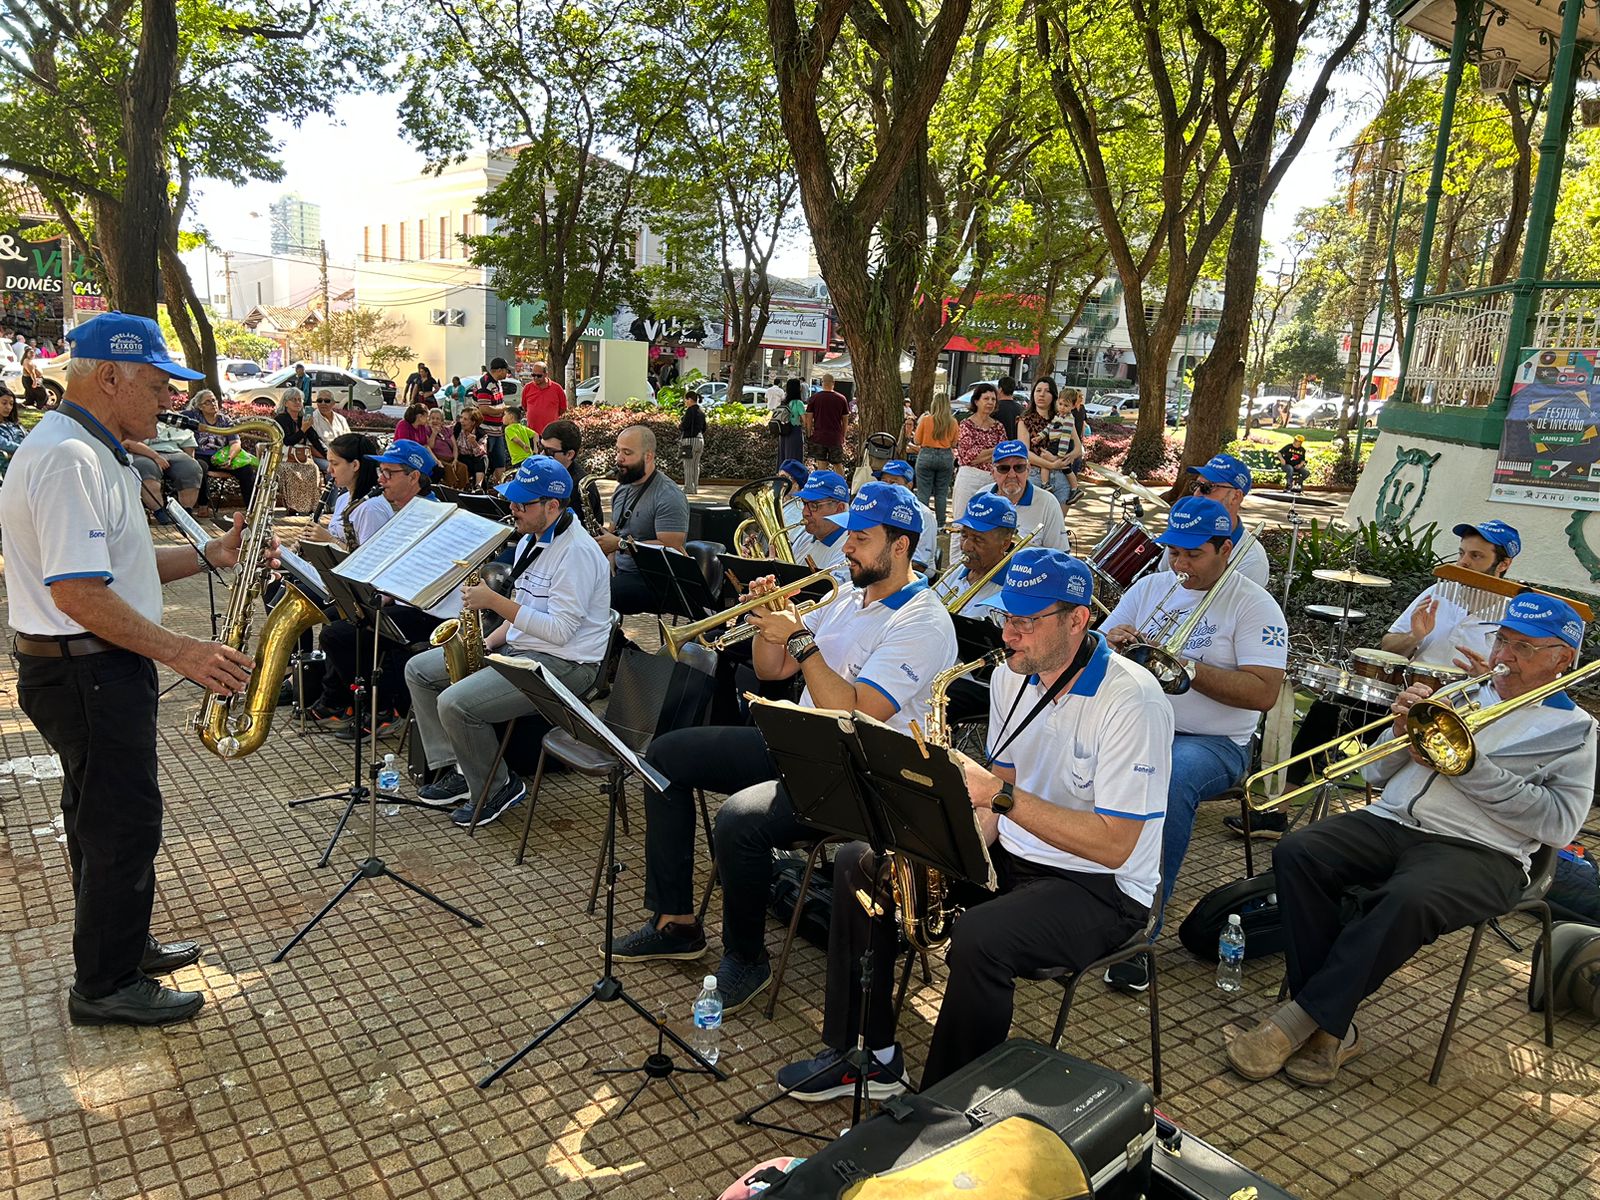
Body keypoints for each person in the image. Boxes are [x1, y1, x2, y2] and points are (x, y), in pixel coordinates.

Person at [777, 548, 1171, 1096]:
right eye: (1006, 617)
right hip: (1015, 851)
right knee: (861, 862)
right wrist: (943, 845)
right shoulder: (1013, 676)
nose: (1009, 635)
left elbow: (1115, 846)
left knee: (981, 937)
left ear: (1078, 620)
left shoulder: (1132, 701)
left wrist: (1000, 798)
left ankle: (947, 1102)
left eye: (1027, 621)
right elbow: (999, 791)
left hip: (1101, 887)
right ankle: (866, 1053)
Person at [0, 311, 265, 1027]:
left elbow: (115, 569)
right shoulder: (68, 460)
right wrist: (186, 652)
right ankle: (106, 984)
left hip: (93, 667)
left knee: (100, 815)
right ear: (109, 376)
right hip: (85, 670)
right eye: (155, 383)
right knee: (123, 822)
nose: (167, 399)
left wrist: (213, 555)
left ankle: (118, 945)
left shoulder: (95, 449)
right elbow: (78, 594)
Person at [1225, 594, 1595, 1088]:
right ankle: (1329, 1026)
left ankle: (1296, 1022)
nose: (1505, 656)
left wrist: (1466, 767)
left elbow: (1559, 826)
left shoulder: (1579, 732)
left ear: (1562, 660)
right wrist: (1397, 733)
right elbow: (1374, 771)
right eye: (1502, 640)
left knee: (1406, 898)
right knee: (1299, 851)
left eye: (1524, 648)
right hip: (1392, 821)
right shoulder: (1463, 693)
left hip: (1485, 851)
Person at [617, 483, 959, 1014]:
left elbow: (855, 713)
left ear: (900, 546)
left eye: (862, 540)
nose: (847, 548)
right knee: (664, 756)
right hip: (799, 746)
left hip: (859, 774)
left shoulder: (922, 621)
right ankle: (676, 921)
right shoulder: (847, 595)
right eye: (849, 537)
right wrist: (768, 619)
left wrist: (800, 638)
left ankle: (746, 959)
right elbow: (774, 669)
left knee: (737, 820)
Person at [1229, 520, 1523, 839]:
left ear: (1503, 564)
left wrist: (1487, 676)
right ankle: (1277, 813)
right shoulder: (1440, 591)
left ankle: (1391, 826)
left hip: (1457, 716)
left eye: (1476, 556)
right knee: (1330, 708)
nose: (1463, 562)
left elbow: (1519, 688)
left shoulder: (1515, 617)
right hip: (1404, 700)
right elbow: (1388, 645)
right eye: (1462, 553)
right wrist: (1415, 636)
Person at [1100, 496, 1288, 990]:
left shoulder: (1253, 604)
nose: (1179, 566)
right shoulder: (1150, 587)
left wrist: (1187, 669)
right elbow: (1095, 649)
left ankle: (1139, 932)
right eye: (1172, 553)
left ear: (1225, 549)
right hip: (1140, 725)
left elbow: (1264, 692)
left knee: (1169, 781)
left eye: (1193, 555)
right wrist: (1111, 644)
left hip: (1213, 742)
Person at [404, 456, 611, 827]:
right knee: (419, 669)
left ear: (553, 506)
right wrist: (486, 643)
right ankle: (458, 768)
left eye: (522, 504)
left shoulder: (576, 552)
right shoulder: (532, 539)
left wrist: (494, 602)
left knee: (455, 703)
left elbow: (559, 631)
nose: (512, 509)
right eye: (512, 501)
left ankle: (498, 786)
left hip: (567, 665)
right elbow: (526, 616)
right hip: (524, 650)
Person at [308, 439, 442, 736]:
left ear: (414, 477)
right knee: (340, 621)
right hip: (401, 602)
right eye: (380, 471)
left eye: (388, 473)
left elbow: (427, 582)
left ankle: (387, 707)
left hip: (429, 612)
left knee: (338, 635)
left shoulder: (433, 516)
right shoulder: (404, 512)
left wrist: (384, 595)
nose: (380, 479)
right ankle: (358, 701)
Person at [595, 424, 690, 615]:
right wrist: (609, 557)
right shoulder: (622, 488)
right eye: (618, 451)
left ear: (648, 456)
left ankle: (618, 643)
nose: (619, 459)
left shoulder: (667, 494)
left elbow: (671, 547)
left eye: (627, 453)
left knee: (597, 599)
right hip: (623, 572)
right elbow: (614, 531)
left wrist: (620, 545)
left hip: (656, 580)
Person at [1183, 453, 1269, 587]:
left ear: (1235, 496)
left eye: (1208, 487)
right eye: (1196, 485)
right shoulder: (1182, 531)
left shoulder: (1251, 559)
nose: (1197, 493)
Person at [930, 493, 1020, 616]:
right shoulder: (955, 574)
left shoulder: (1014, 589)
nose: (966, 546)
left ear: (1005, 543)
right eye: (964, 535)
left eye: (978, 539)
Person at [299, 432, 380, 551]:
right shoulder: (343, 499)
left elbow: (367, 558)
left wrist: (330, 540)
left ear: (355, 465)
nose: (329, 469)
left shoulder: (371, 508)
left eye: (335, 463)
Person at [125, 395, 204, 515]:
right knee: (146, 467)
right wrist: (155, 456)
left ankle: (185, 513)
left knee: (191, 467)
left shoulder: (177, 419)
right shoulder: (136, 418)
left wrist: (190, 459)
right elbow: (128, 442)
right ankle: (159, 512)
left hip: (175, 452)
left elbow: (188, 443)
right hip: (144, 452)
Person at [985, 440, 1069, 551]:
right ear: (993, 472)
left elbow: (1060, 555)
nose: (1011, 475)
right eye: (1003, 468)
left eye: (1019, 467)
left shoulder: (1048, 502)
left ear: (1028, 470)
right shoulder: (981, 498)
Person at [186, 389, 257, 509]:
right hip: (201, 455)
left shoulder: (225, 420)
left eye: (213, 400)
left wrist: (230, 457)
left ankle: (251, 509)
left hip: (222, 456)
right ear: (200, 406)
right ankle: (203, 505)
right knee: (198, 467)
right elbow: (175, 416)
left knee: (246, 470)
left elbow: (235, 442)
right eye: (207, 402)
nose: (213, 404)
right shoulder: (194, 417)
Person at [1020, 377, 1082, 511]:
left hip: (1062, 476)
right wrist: (1051, 464)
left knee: (1058, 527)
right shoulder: (1024, 420)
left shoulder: (1064, 418)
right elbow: (1024, 452)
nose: (1041, 394)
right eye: (1038, 390)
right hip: (1037, 476)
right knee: (1034, 525)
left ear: (1054, 396)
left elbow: (1078, 450)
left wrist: (1061, 460)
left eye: (1047, 391)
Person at [783, 469, 851, 579]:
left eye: (814, 505)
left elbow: (827, 594)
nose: (804, 512)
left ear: (839, 509)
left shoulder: (849, 551)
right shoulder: (806, 536)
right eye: (804, 503)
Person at [873, 459, 936, 573]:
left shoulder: (924, 514)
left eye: (894, 482)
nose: (887, 487)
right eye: (883, 481)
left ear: (909, 486)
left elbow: (920, 564)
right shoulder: (877, 509)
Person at [952, 382, 1004, 517]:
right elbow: (970, 457)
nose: (990, 402)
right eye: (986, 399)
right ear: (976, 401)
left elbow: (1003, 454)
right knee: (961, 520)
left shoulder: (998, 426)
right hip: (969, 477)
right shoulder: (966, 425)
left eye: (993, 399)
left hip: (992, 478)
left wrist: (984, 453)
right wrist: (995, 450)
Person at [912, 390, 959, 532]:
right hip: (945, 456)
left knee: (923, 492)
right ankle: (940, 524)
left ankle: (922, 522)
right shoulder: (953, 422)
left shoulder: (926, 420)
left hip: (926, 454)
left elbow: (917, 440)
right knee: (941, 492)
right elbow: (955, 443)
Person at [538, 418, 592, 529]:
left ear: (569, 455)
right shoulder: (550, 472)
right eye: (541, 447)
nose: (542, 455)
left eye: (549, 451)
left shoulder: (580, 487)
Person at [470, 357, 517, 473]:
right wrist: (503, 410)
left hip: (497, 430)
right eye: (506, 370)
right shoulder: (485, 384)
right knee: (486, 462)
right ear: (499, 370)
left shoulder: (498, 383)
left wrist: (505, 412)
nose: (508, 373)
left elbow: (499, 402)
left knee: (500, 463)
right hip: (486, 430)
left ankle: (498, 487)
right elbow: (483, 409)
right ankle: (483, 487)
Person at [804, 373, 849, 467]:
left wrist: (808, 433)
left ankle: (822, 481)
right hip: (835, 437)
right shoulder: (842, 399)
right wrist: (843, 436)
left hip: (819, 436)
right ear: (834, 383)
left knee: (821, 464)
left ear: (822, 382)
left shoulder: (814, 398)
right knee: (838, 464)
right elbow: (845, 420)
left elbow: (809, 418)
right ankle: (840, 482)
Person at [519, 360, 567, 434]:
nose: (535, 378)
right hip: (532, 432)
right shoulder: (527, 388)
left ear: (546, 375)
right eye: (533, 375)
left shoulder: (557, 388)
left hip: (551, 432)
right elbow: (524, 406)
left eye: (539, 376)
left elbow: (563, 408)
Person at [420, 408, 460, 486]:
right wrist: (434, 434)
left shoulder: (447, 430)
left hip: (450, 458)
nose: (435, 421)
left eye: (438, 419)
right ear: (428, 420)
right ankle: (452, 487)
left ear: (442, 421)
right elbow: (429, 446)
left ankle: (462, 488)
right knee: (448, 468)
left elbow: (455, 446)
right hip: (438, 458)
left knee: (462, 467)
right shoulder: (426, 430)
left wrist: (455, 459)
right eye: (432, 418)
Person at [679, 388, 708, 495]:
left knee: (688, 465)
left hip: (689, 440)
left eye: (686, 400)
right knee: (696, 465)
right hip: (700, 439)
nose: (685, 402)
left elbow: (684, 425)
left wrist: (680, 426)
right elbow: (704, 427)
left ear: (690, 399)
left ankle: (688, 487)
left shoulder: (690, 411)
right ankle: (695, 487)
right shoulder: (701, 411)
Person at [775, 377, 806, 467]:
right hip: (794, 432)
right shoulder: (798, 403)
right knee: (794, 456)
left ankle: (782, 476)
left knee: (783, 456)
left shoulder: (784, 402)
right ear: (797, 388)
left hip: (783, 432)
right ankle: (793, 478)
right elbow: (805, 420)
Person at [455, 407, 489, 490]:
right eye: (461, 417)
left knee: (483, 458)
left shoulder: (481, 434)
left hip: (474, 458)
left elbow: (481, 452)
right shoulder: (457, 427)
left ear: (473, 422)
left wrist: (474, 443)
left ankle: (478, 486)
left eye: (465, 419)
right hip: (460, 457)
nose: (462, 421)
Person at [503, 404, 535, 468]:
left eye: (504, 415)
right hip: (529, 456)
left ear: (510, 416)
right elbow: (535, 435)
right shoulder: (522, 427)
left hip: (518, 459)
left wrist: (523, 446)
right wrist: (535, 449)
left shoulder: (508, 428)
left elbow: (515, 439)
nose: (503, 417)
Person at [993, 374, 1023, 439]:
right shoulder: (1021, 408)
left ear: (1000, 389)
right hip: (1016, 446)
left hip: (999, 446)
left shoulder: (994, 408)